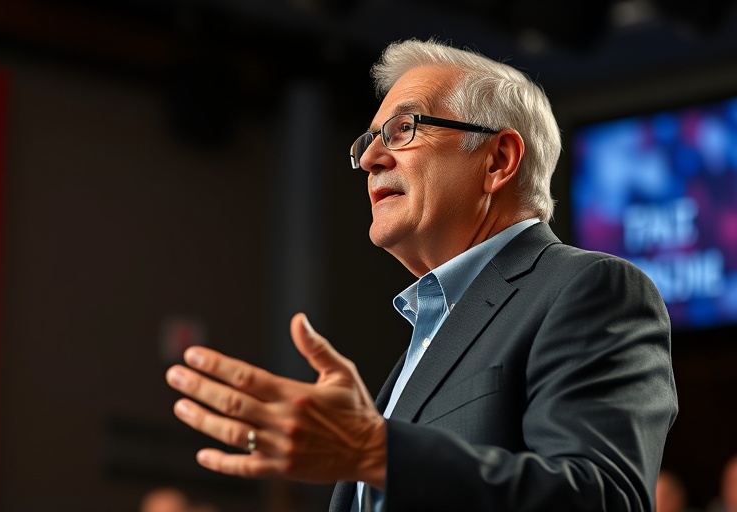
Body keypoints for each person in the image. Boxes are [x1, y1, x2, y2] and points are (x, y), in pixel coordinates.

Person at [164, 37, 678, 511]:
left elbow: (606, 499)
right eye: (367, 140)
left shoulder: (589, 290)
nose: (369, 157)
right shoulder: (429, 331)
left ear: (499, 160)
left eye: (403, 130)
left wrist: (374, 449)